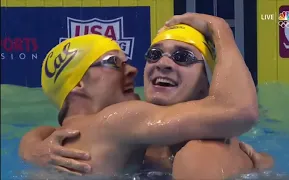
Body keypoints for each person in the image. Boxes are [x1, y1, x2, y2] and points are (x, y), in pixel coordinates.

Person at [19, 14, 272, 179]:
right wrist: (221, 30)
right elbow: (240, 110)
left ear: (207, 84)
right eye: (113, 63)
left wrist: (29, 144)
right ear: (78, 84)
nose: (134, 69)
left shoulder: (53, 142)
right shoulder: (122, 122)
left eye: (182, 57)